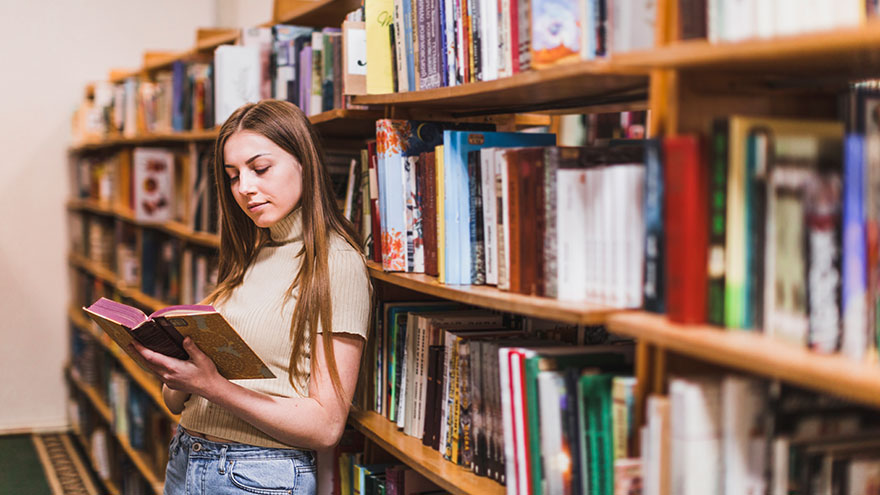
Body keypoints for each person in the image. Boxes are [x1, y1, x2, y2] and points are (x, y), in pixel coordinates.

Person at [131, 99, 371, 495]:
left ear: (303, 162)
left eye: (260, 169)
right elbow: (176, 402)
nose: (245, 187)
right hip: (187, 456)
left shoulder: (336, 264)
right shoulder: (252, 253)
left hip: (256, 476)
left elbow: (327, 426)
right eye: (232, 175)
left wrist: (212, 386)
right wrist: (175, 365)